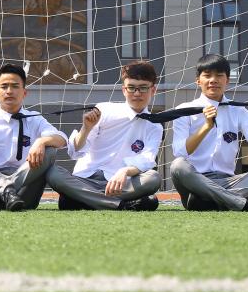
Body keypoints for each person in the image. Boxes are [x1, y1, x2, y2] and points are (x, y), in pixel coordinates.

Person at [170, 54, 248, 211]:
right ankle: (243, 204)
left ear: (227, 80)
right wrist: (206, 127)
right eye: (207, 76)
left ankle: (211, 202)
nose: (213, 80)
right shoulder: (184, 110)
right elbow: (180, 151)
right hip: (195, 181)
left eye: (219, 75)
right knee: (178, 165)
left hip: (229, 182)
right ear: (198, 81)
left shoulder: (237, 110)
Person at [47, 60, 162, 211]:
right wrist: (86, 129)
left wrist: (124, 171)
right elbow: (75, 152)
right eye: (131, 87)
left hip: (119, 184)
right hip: (86, 179)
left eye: (143, 88)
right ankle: (119, 205)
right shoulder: (104, 110)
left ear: (153, 90)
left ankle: (82, 199)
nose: (137, 93)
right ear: (124, 90)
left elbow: (147, 159)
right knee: (53, 173)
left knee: (153, 178)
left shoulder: (155, 126)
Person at [0, 63, 68, 212]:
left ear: (24, 92)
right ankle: (5, 190)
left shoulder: (35, 118)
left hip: (23, 193)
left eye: (15, 86)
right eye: (4, 87)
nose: (9, 91)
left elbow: (62, 139)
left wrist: (41, 141)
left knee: (50, 149)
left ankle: (5, 190)